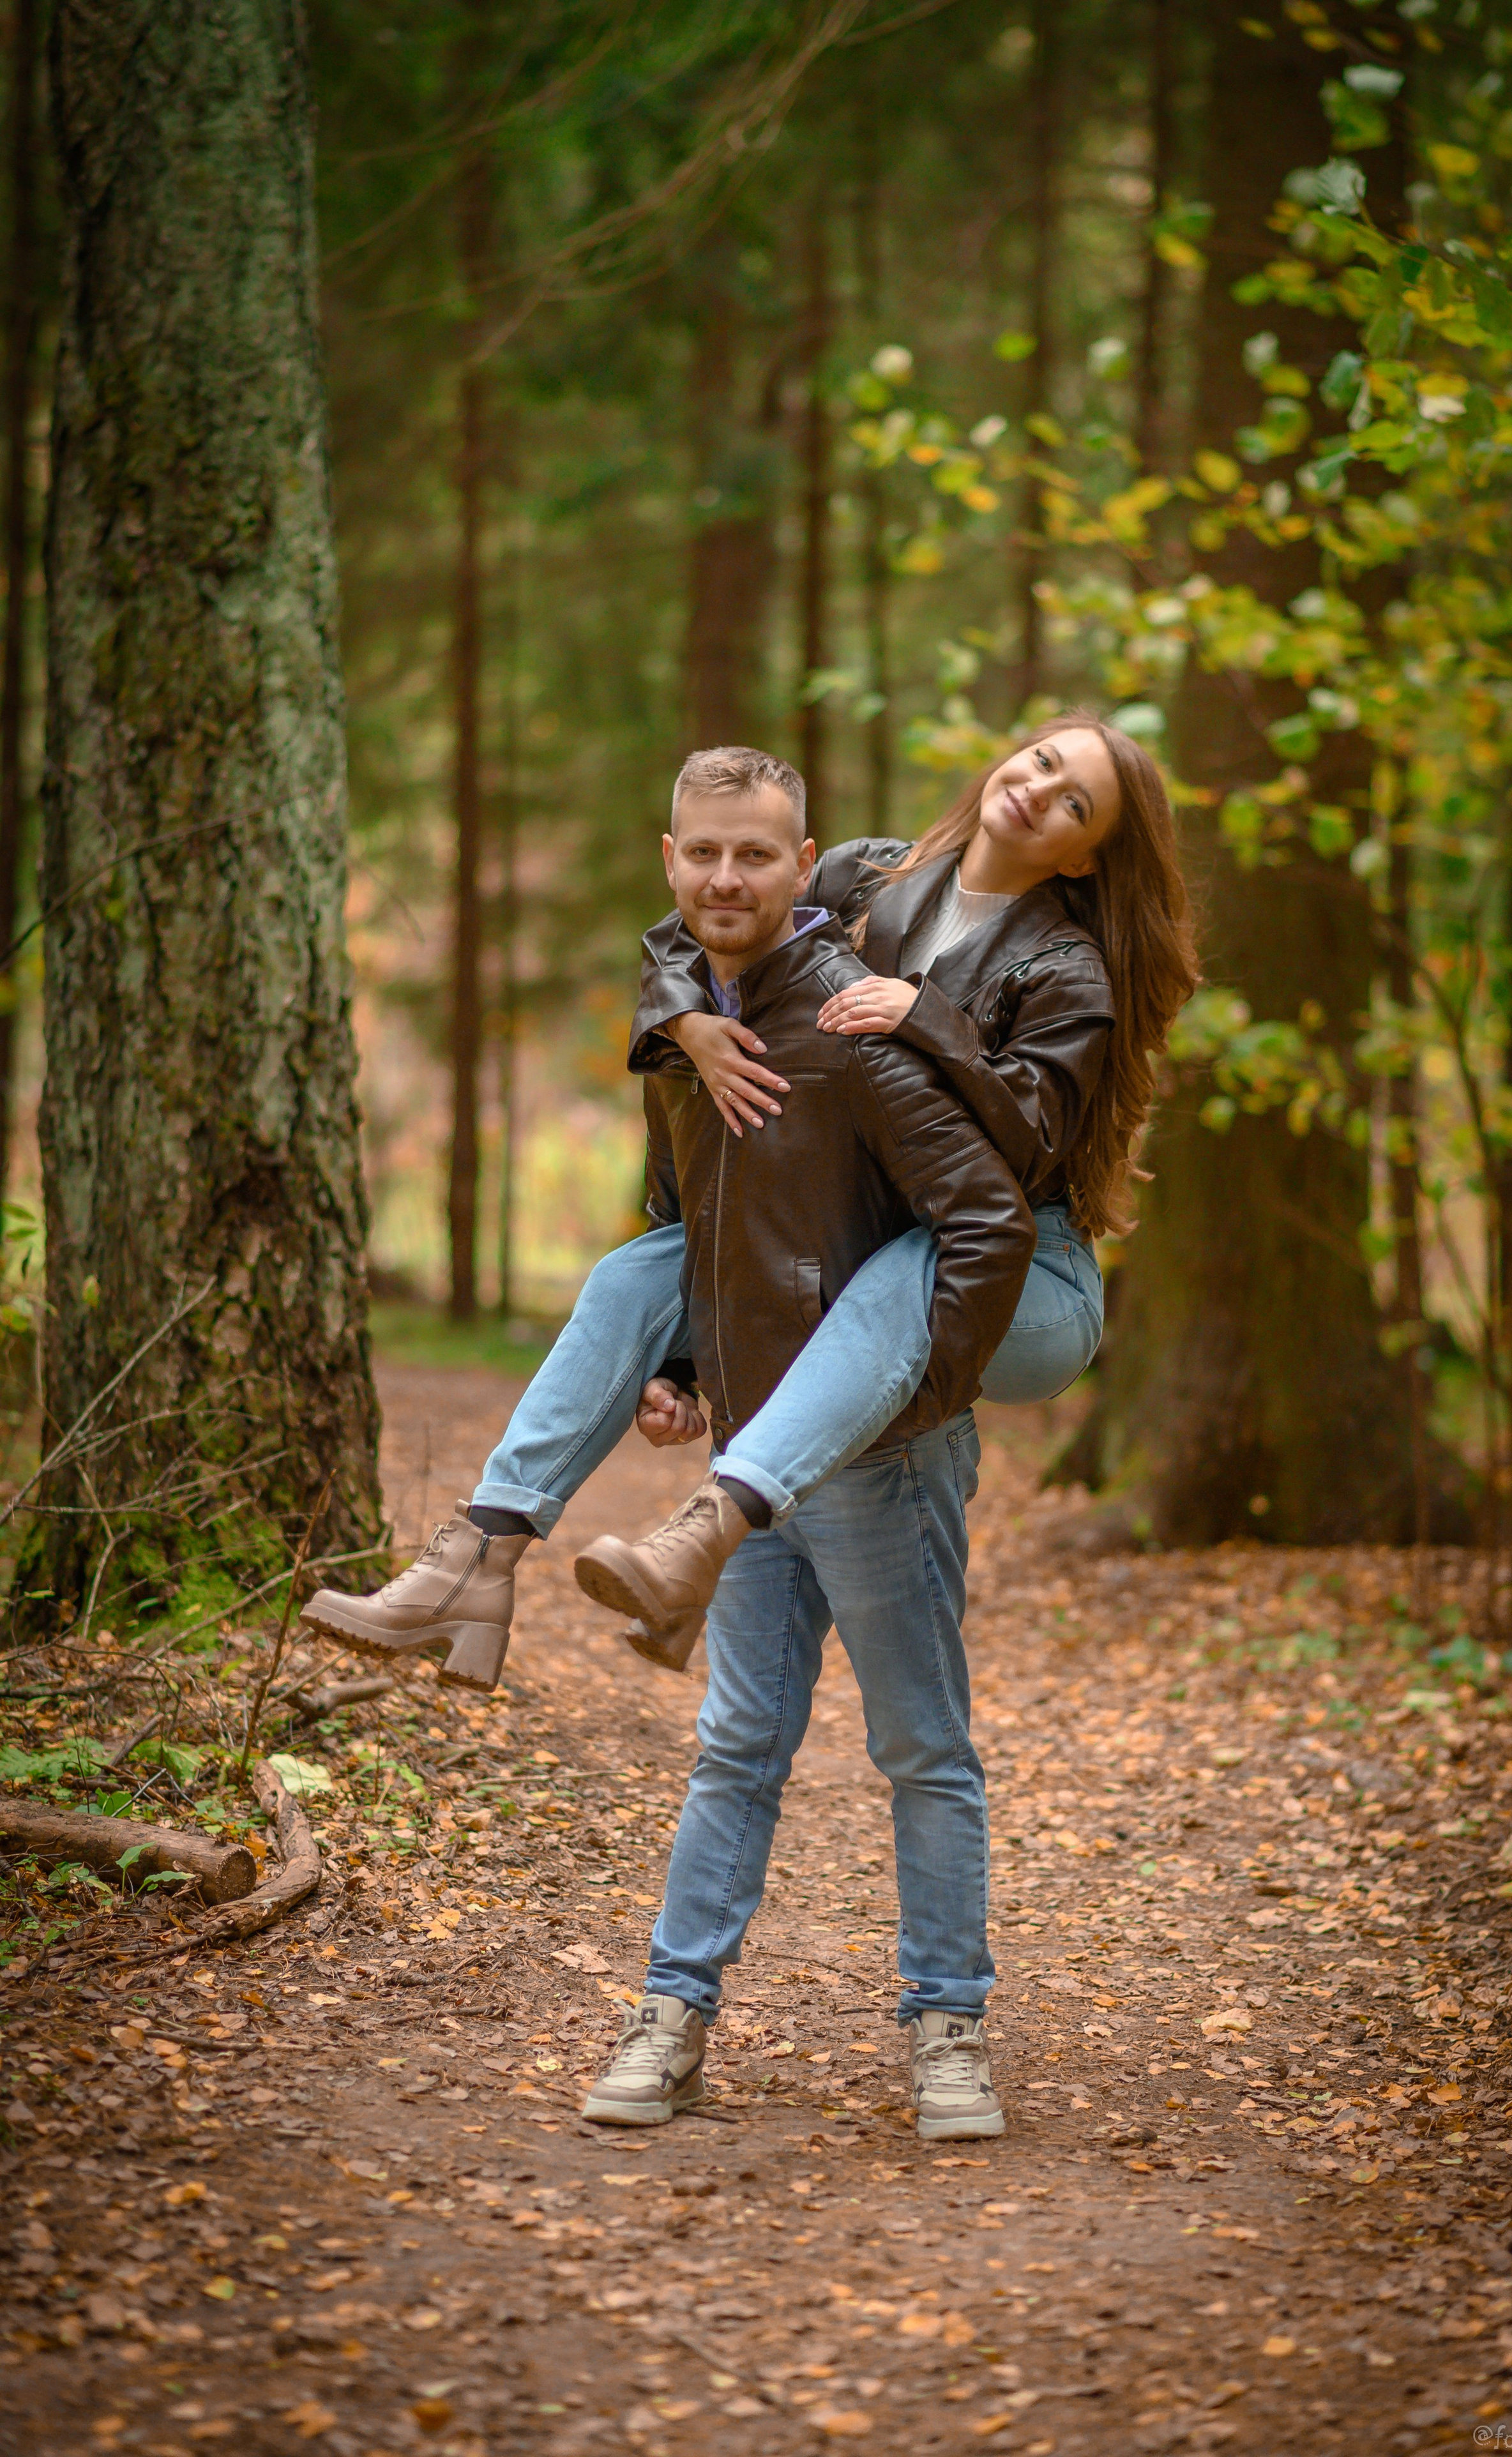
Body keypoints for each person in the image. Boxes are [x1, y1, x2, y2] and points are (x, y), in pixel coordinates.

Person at [299, 721, 1195, 1684]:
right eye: (1045, 760)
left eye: (1075, 801)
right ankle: (478, 1556)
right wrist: (685, 1021)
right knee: (641, 1268)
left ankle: (708, 1530)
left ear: (1087, 852)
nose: (1038, 788)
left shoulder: (1067, 970)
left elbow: (1026, 1145)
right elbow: (721, 924)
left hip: (1029, 1275)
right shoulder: (865, 877)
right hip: (903, 1229)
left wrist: (923, 1015)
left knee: (908, 1266)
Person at [568, 755, 1029, 2136]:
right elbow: (695, 1218)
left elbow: (985, 1222)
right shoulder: (685, 1030)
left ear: (804, 859)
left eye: (753, 857)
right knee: (735, 1750)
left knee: (921, 1750)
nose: (724, 879)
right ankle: (670, 2018)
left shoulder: (852, 1016)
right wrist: (677, 1364)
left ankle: (946, 2025)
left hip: (882, 1462)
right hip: (748, 1465)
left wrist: (916, 1394)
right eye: (702, 855)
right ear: (667, 859)